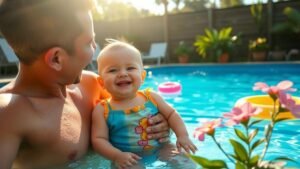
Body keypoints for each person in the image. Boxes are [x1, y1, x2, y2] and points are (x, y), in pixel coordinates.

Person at [0, 1, 170, 169]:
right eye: (89, 43)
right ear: (56, 59)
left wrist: (161, 122)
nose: (95, 48)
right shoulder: (10, 114)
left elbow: (137, 107)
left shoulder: (91, 85)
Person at [91, 40, 197, 169]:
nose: (123, 73)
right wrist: (117, 156)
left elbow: (172, 114)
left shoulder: (151, 97)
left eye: (130, 68)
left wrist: (182, 136)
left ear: (142, 76)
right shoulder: (102, 110)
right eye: (113, 70)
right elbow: (99, 140)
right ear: (101, 82)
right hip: (127, 157)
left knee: (184, 162)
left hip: (162, 147)